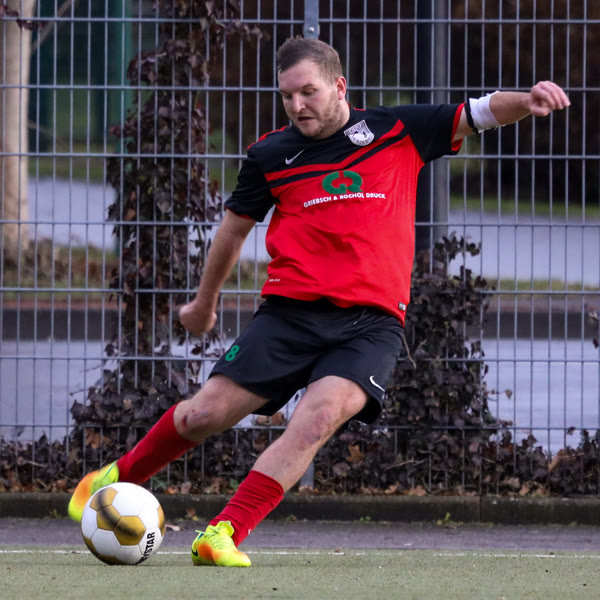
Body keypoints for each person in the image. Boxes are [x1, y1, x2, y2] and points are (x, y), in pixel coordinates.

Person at [67, 37, 570, 567]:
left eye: (308, 92)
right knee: (202, 415)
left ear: (338, 86)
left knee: (317, 418)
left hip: (370, 325)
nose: (297, 105)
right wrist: (203, 304)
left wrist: (528, 100)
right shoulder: (270, 155)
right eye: (287, 96)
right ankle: (112, 478)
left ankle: (223, 533)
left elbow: (480, 112)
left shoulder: (397, 130)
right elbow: (233, 232)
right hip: (289, 314)